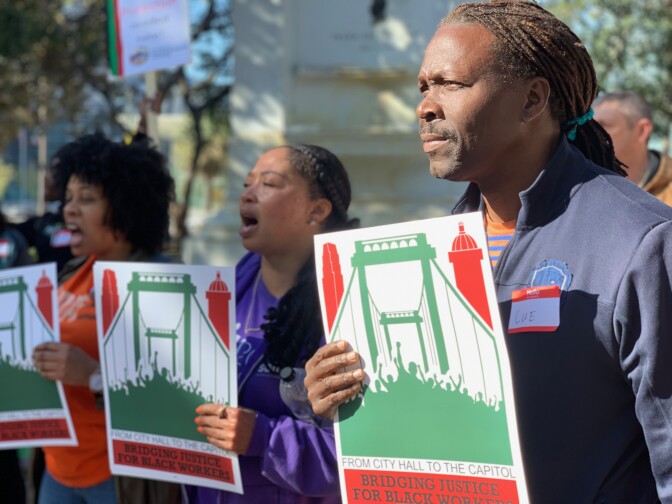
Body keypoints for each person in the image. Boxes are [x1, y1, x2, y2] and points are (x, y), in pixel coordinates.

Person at [304, 2, 672, 503]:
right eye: (423, 87)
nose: (426, 106)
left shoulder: (641, 241)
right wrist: (346, 398)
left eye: (450, 84)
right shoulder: (433, 253)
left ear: (532, 99)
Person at [183, 144, 358, 503]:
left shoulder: (346, 309)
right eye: (248, 182)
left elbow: (357, 458)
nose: (248, 193)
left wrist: (262, 437)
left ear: (317, 211)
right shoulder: (226, 287)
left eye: (269, 183)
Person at [31, 133, 180, 504]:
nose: (69, 210)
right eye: (68, 198)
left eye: (86, 199)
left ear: (125, 207)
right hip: (58, 471)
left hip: (121, 480)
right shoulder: (69, 274)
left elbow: (177, 398)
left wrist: (93, 376)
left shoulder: (163, 282)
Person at [594, 90, 672, 205]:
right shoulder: (582, 186)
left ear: (642, 131)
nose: (592, 134)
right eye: (589, 127)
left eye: (602, 126)